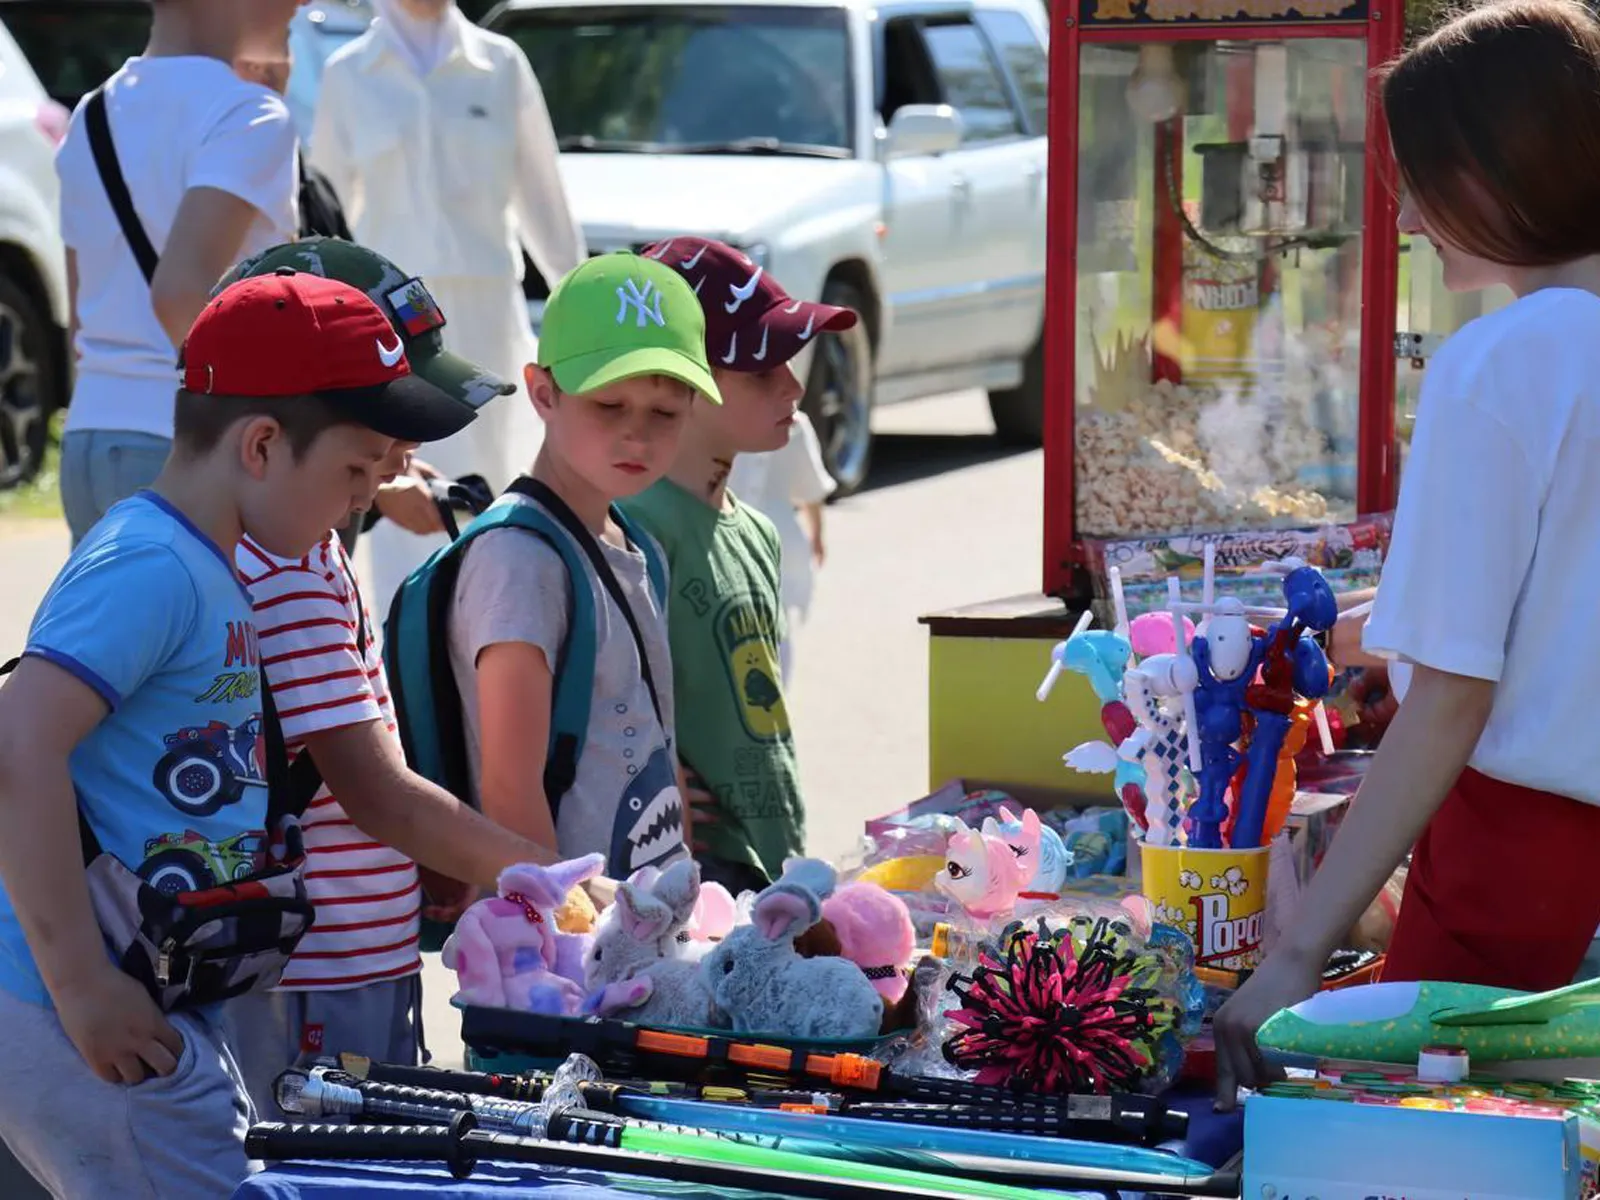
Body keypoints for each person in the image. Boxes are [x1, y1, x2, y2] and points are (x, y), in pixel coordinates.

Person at [0, 268, 481, 1198]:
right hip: (74, 1003)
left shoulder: (200, 560)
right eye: (353, 471)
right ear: (261, 445)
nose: (360, 500)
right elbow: (18, 745)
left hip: (134, 987)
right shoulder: (152, 565)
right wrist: (81, 986)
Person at [1214, 0, 1600, 1106]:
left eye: (1424, 177)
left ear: (1499, 167)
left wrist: (1294, 957)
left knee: (1446, 1148)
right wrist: (1392, 630)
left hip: (1525, 866)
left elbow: (1455, 696)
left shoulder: (1500, 361)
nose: (1412, 215)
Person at [215, 238, 579, 1120]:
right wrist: (556, 881)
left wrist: (419, 860)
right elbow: (379, 794)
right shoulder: (287, 568)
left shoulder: (306, 545)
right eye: (393, 418)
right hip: (315, 975)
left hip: (350, 960)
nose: (408, 449)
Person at [310, 0, 588, 615]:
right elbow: (326, 210)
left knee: (501, 486)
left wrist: (582, 311)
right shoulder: (349, 72)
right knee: (402, 485)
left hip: (487, 323)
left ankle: (507, 633)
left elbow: (544, 198)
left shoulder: (500, 64)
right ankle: (410, 645)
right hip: (393, 331)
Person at [447, 253, 718, 880]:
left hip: (642, 914)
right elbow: (510, 788)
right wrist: (569, 919)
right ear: (544, 393)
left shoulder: (636, 542)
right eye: (609, 405)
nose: (638, 435)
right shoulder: (519, 560)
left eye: (664, 413)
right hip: (569, 926)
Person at [618, 237, 859, 893]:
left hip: (767, 857)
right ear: (680, 385)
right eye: (760, 372)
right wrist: (650, 771)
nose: (794, 386)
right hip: (690, 873)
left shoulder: (756, 532)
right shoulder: (634, 527)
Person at [55, 0, 306, 546]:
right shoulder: (249, 114)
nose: (305, 3)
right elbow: (180, 293)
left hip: (90, 439)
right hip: (188, 450)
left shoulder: (90, 113)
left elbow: (80, 319)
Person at [727, 410, 835, 684]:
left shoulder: (725, 419)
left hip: (731, 533)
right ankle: (776, 689)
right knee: (777, 622)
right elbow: (811, 488)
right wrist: (817, 534)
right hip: (781, 534)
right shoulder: (796, 423)